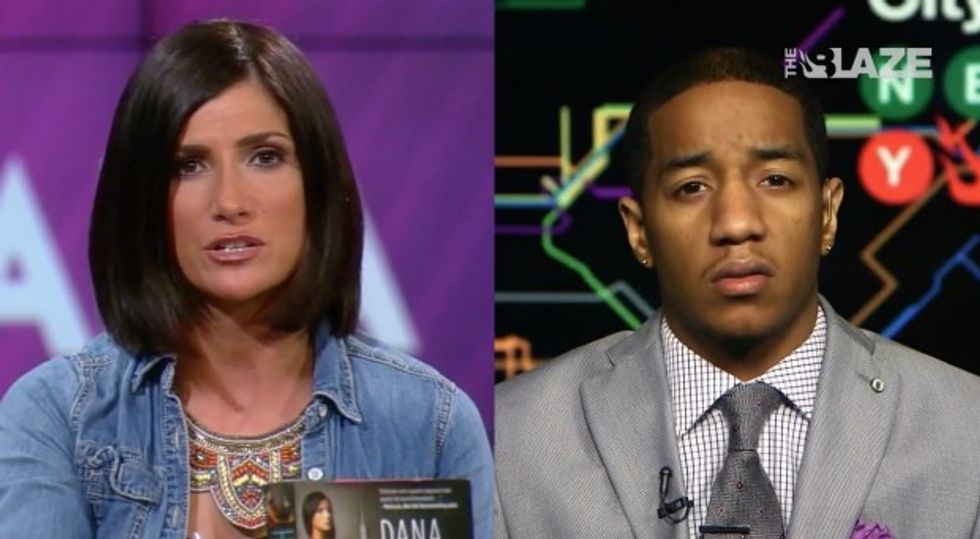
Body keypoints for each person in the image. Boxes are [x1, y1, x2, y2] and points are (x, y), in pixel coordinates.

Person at [0, 19, 492, 539]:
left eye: (265, 157)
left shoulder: (428, 423)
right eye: (189, 166)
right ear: (142, 198)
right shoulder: (60, 417)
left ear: (317, 184)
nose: (230, 202)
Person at [493, 48, 980, 538]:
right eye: (692, 187)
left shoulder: (967, 425)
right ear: (639, 231)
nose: (736, 223)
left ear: (827, 213)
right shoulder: (508, 436)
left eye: (775, 180)